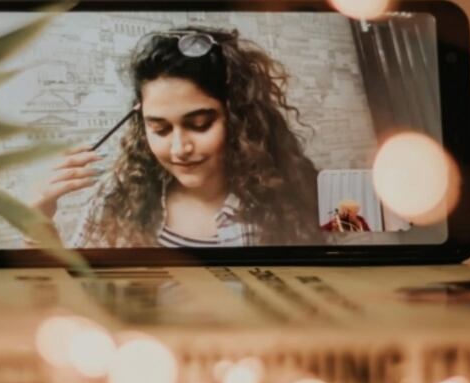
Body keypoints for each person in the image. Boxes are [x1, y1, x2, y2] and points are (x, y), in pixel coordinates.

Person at [38, 26, 319, 248]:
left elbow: (343, 268)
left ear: (240, 119)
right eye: (160, 129)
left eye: (199, 125)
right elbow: (73, 289)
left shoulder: (302, 190)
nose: (179, 149)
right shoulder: (115, 197)